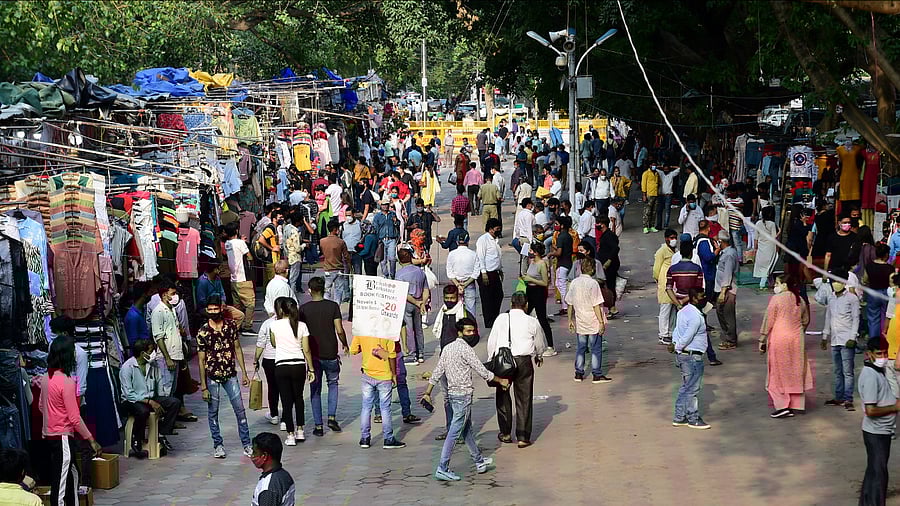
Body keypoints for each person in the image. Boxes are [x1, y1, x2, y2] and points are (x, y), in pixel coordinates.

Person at [423, 318, 506, 481]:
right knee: (454, 432)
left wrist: (428, 392)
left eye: (473, 330)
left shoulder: (447, 348)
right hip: (463, 396)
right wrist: (501, 380)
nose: (472, 333)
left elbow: (437, 372)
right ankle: (442, 467)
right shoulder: (466, 350)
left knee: (466, 429)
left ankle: (479, 461)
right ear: (460, 332)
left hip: (454, 396)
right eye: (468, 331)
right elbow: (482, 370)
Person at [39, 338, 102, 506]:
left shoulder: (45, 378)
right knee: (60, 483)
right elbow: (75, 417)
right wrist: (91, 440)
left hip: (50, 434)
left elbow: (41, 406)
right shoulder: (67, 381)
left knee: (72, 473)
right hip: (63, 436)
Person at [487, 293, 547, 448]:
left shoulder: (501, 319)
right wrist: (539, 356)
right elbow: (540, 343)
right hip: (523, 361)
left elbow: (491, 342)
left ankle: (506, 433)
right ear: (526, 304)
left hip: (503, 360)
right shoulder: (532, 321)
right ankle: (523, 436)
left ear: (511, 303)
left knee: (502, 395)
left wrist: (491, 360)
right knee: (524, 398)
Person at [197, 297, 253, 458]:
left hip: (230, 374)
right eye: (210, 309)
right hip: (212, 376)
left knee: (240, 410)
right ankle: (218, 445)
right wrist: (203, 386)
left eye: (216, 309)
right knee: (213, 412)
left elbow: (237, 348)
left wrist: (244, 372)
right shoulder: (203, 331)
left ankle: (246, 444)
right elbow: (201, 360)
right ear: (207, 310)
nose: (213, 312)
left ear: (221, 309)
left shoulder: (230, 326)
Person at [299, 276, 349, 437]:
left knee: (315, 389)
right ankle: (332, 417)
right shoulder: (333, 306)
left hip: (313, 355)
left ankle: (318, 425)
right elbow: (339, 329)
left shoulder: (304, 309)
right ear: (324, 289)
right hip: (331, 352)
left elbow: (300, 333)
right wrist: (345, 344)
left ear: (310, 291)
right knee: (333, 384)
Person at [759, 275, 812, 417]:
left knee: (777, 372)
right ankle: (797, 404)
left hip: (779, 339)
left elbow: (768, 320)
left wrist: (762, 339)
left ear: (784, 285)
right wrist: (799, 331)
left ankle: (782, 405)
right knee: (795, 370)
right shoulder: (799, 300)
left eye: (777, 283)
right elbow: (806, 320)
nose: (775, 286)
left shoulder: (776, 299)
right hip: (796, 339)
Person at [119, 338, 181, 459]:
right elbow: (128, 394)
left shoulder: (153, 365)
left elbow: (159, 384)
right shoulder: (127, 367)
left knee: (174, 403)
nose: (153, 353)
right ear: (143, 353)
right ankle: (136, 439)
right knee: (143, 411)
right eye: (151, 350)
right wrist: (149, 402)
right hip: (132, 400)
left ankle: (161, 433)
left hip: (151, 397)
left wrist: (160, 401)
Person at [349, 319, 406, 450]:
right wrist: (393, 374)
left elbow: (353, 350)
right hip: (384, 375)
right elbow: (392, 355)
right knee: (385, 408)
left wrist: (366, 348)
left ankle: (365, 438)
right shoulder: (387, 332)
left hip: (367, 374)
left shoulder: (361, 332)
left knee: (366, 407)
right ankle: (388, 439)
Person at [858, 336, 898, 506]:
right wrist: (895, 407)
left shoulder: (877, 371)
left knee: (874, 472)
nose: (883, 356)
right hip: (876, 432)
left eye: (885, 352)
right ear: (869, 354)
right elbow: (871, 410)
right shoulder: (870, 376)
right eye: (879, 353)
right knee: (878, 476)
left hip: (883, 431)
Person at [269, 297, 315, 446]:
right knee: (299, 398)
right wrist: (311, 368)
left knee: (286, 401)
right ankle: (300, 430)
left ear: (281, 310)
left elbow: (274, 344)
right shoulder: (302, 325)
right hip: (298, 365)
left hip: (281, 365)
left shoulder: (274, 325)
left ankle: (290, 434)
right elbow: (306, 349)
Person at [668, 288, 712, 430]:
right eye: (701, 296)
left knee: (687, 387)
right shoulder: (696, 317)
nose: (703, 298)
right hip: (692, 356)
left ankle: (680, 417)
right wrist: (678, 347)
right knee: (692, 389)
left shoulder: (683, 311)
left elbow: (676, 331)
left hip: (684, 356)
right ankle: (692, 418)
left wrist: (675, 345)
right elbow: (687, 336)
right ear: (693, 298)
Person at [818, 269, 861, 410]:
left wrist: (853, 337)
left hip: (847, 339)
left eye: (839, 281)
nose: (836, 284)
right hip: (835, 340)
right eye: (834, 281)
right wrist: (825, 336)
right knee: (837, 370)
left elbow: (856, 318)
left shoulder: (852, 298)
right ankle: (839, 396)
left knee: (847, 371)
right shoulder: (830, 297)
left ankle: (848, 399)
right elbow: (828, 317)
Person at [566, 258, 610, 383]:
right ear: (592, 269)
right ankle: (596, 374)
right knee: (595, 348)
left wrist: (570, 319)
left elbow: (569, 302)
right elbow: (596, 304)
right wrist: (601, 322)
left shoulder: (574, 282)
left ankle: (578, 373)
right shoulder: (593, 284)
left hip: (580, 319)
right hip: (593, 320)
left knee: (581, 347)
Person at [150, 279, 186, 402]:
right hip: (166, 358)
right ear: (165, 294)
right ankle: (165, 420)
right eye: (173, 293)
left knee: (172, 388)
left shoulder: (172, 309)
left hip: (176, 355)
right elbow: (158, 337)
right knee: (166, 389)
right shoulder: (158, 312)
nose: (175, 296)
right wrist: (167, 358)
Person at [395, 248, 429, 363]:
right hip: (419, 302)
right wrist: (422, 303)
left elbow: (402, 293)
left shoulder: (399, 274)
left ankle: (411, 354)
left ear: (399, 260)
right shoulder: (420, 272)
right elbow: (426, 289)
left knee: (409, 329)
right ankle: (421, 353)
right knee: (418, 328)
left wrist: (415, 302)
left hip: (408, 303)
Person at [521, 242, 554, 355]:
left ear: (536, 252)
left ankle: (550, 346)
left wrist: (530, 278)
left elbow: (545, 282)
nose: (529, 252)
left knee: (542, 318)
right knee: (525, 315)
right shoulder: (532, 262)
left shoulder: (542, 264)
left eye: (531, 251)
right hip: (529, 291)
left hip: (539, 292)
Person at [224, 222, 256, 335]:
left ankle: (238, 325)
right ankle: (247, 327)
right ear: (237, 231)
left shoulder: (227, 243)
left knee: (237, 305)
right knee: (250, 303)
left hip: (233, 279)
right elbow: (249, 256)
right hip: (243, 278)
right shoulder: (240, 243)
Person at [250, 432, 296, 506]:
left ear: (264, 456)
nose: (252, 456)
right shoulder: (284, 475)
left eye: (255, 452)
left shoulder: (268, 490)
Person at [475, 218, 504, 328]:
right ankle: (489, 321)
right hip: (486, 272)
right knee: (487, 298)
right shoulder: (483, 240)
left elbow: (497, 257)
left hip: (495, 272)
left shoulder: (495, 240)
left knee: (498, 295)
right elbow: (480, 257)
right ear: (491, 229)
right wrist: (483, 272)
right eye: (497, 229)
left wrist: (500, 269)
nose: (498, 231)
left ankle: (494, 316)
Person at [254, 316, 282, 428]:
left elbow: (261, 343)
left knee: (273, 387)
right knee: (286, 389)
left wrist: (256, 360)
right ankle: (285, 418)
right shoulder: (294, 322)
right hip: (287, 359)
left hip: (270, 360)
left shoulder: (268, 323)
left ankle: (274, 415)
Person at [714, 231, 740, 350]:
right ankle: (728, 336)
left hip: (727, 289)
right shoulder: (727, 252)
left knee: (727, 314)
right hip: (722, 288)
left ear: (722, 241)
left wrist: (723, 292)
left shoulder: (729, 255)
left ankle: (731, 340)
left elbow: (728, 273)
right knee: (720, 311)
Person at [653, 229, 679, 345]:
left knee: (673, 308)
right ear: (666, 238)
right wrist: (658, 280)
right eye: (671, 238)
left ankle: (671, 331)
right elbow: (656, 269)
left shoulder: (675, 251)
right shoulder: (662, 251)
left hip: (673, 282)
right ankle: (663, 334)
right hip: (664, 282)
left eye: (675, 237)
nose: (673, 240)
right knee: (665, 308)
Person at [864, 243, 894, 342]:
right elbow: (892, 283)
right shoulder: (890, 268)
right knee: (887, 316)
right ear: (886, 255)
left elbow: (865, 279)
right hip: (886, 293)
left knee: (873, 318)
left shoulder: (869, 266)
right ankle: (885, 339)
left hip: (873, 292)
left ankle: (874, 342)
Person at [549, 216, 575, 325]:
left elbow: (559, 253)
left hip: (562, 263)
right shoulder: (568, 236)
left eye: (557, 223)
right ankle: (567, 305)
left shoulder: (561, 236)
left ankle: (566, 306)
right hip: (568, 262)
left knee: (561, 284)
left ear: (562, 225)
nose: (556, 226)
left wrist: (551, 253)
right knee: (562, 284)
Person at [445, 232, 478, 315]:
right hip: (469, 284)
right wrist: (465, 284)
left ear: (457, 242)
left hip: (455, 285)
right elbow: (476, 273)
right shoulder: (473, 254)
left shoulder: (451, 254)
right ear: (468, 242)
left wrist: (458, 285)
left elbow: (450, 272)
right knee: (470, 310)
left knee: (454, 310)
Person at [595, 216, 621, 317]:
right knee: (609, 285)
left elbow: (615, 248)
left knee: (609, 286)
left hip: (610, 265)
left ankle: (612, 307)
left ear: (602, 224)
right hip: (606, 264)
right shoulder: (606, 235)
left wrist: (608, 261)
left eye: (598, 223)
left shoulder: (608, 236)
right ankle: (611, 306)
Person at [321, 220, 351, 304]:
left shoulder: (322, 241)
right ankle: (337, 308)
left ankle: (326, 308)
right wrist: (349, 266)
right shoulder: (341, 242)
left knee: (327, 291)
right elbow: (346, 257)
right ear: (335, 229)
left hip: (328, 269)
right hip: (339, 269)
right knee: (338, 292)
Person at [373, 197, 400, 278]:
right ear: (381, 206)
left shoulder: (392, 214)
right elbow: (375, 228)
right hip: (382, 240)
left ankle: (392, 275)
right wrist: (377, 239)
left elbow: (398, 224)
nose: (385, 206)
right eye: (383, 205)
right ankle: (385, 274)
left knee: (392, 259)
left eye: (386, 205)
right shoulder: (378, 216)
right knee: (382, 260)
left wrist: (395, 221)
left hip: (391, 239)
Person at [753, 206, 780, 289]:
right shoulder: (772, 224)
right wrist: (780, 232)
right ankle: (762, 285)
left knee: (766, 266)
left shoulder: (758, 223)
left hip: (761, 248)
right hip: (770, 248)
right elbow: (774, 238)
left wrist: (755, 248)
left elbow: (755, 238)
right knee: (768, 267)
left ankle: (771, 283)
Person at [124, 282, 152, 350]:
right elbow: (135, 344)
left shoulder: (142, 310)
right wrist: (148, 343)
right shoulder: (133, 316)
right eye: (150, 292)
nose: (151, 295)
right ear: (144, 294)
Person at [656, 165, 681, 230]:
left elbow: (679, 168)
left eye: (667, 169)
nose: (666, 170)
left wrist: (672, 166)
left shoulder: (671, 174)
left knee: (667, 211)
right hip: (661, 195)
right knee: (659, 211)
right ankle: (659, 225)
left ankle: (666, 225)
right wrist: (661, 166)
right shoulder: (661, 173)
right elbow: (653, 167)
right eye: (664, 169)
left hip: (668, 195)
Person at [641, 162, 660, 233]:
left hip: (655, 194)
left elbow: (659, 183)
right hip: (649, 194)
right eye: (653, 165)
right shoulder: (646, 173)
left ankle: (652, 226)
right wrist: (644, 195)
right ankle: (645, 227)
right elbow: (643, 185)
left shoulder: (657, 174)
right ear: (650, 165)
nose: (654, 166)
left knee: (654, 211)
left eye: (655, 165)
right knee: (647, 212)